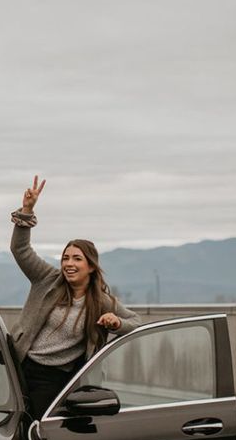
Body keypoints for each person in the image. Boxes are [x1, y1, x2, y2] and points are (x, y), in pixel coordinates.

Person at [10, 175, 141, 417]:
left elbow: (135, 322)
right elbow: (20, 250)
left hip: (57, 379)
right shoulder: (47, 279)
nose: (68, 263)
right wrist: (26, 212)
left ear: (91, 266)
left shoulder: (101, 301)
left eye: (77, 259)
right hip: (20, 367)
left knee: (37, 429)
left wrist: (116, 322)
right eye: (65, 258)